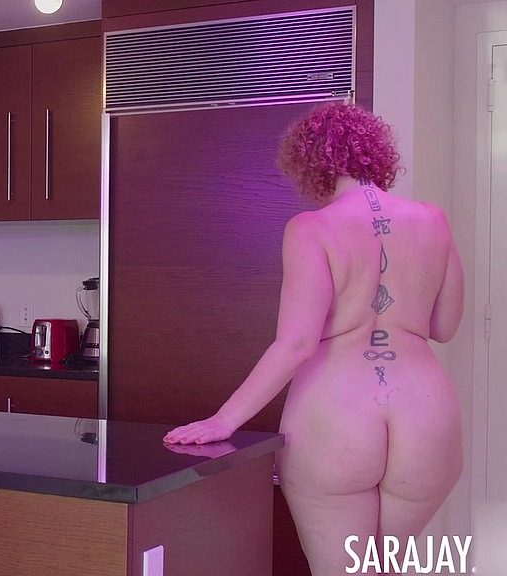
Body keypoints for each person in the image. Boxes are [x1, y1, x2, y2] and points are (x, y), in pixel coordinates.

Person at [163, 101, 465, 575]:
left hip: (336, 417)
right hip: (425, 416)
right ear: (377, 153)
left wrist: (225, 420)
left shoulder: (312, 229)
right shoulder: (433, 220)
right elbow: (444, 327)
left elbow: (297, 343)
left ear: (310, 162)